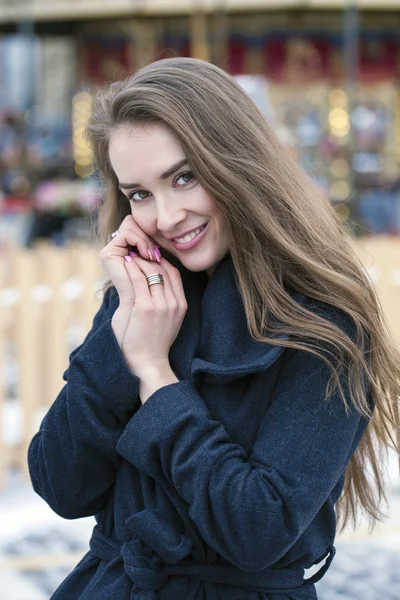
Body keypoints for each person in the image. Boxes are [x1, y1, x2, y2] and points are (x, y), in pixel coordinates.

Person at [28, 57, 400, 600]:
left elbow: (258, 530)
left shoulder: (323, 322)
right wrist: (122, 333)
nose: (168, 215)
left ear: (237, 162)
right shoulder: (142, 296)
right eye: (140, 194)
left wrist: (155, 375)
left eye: (184, 177)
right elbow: (61, 485)